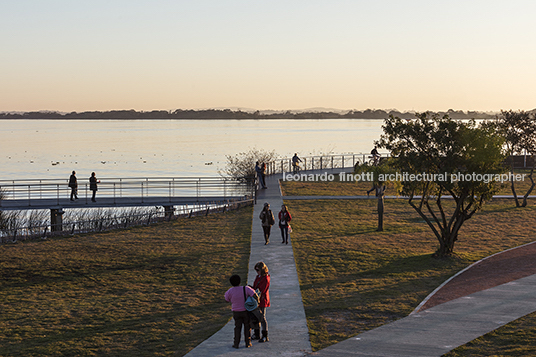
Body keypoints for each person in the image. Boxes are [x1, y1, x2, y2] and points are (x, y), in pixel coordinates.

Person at [224, 274, 255, 349]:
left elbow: (226, 300)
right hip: (245, 311)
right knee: (247, 327)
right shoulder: (245, 288)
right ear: (240, 281)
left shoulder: (230, 291)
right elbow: (254, 294)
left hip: (236, 312)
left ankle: (236, 343)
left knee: (237, 328)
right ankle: (248, 342)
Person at [252, 262, 271, 343]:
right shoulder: (258, 277)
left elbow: (262, 290)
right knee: (256, 317)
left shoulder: (266, 278)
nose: (256, 271)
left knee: (262, 317)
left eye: (258, 270)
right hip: (257, 299)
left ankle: (264, 335)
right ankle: (256, 334)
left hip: (262, 300)